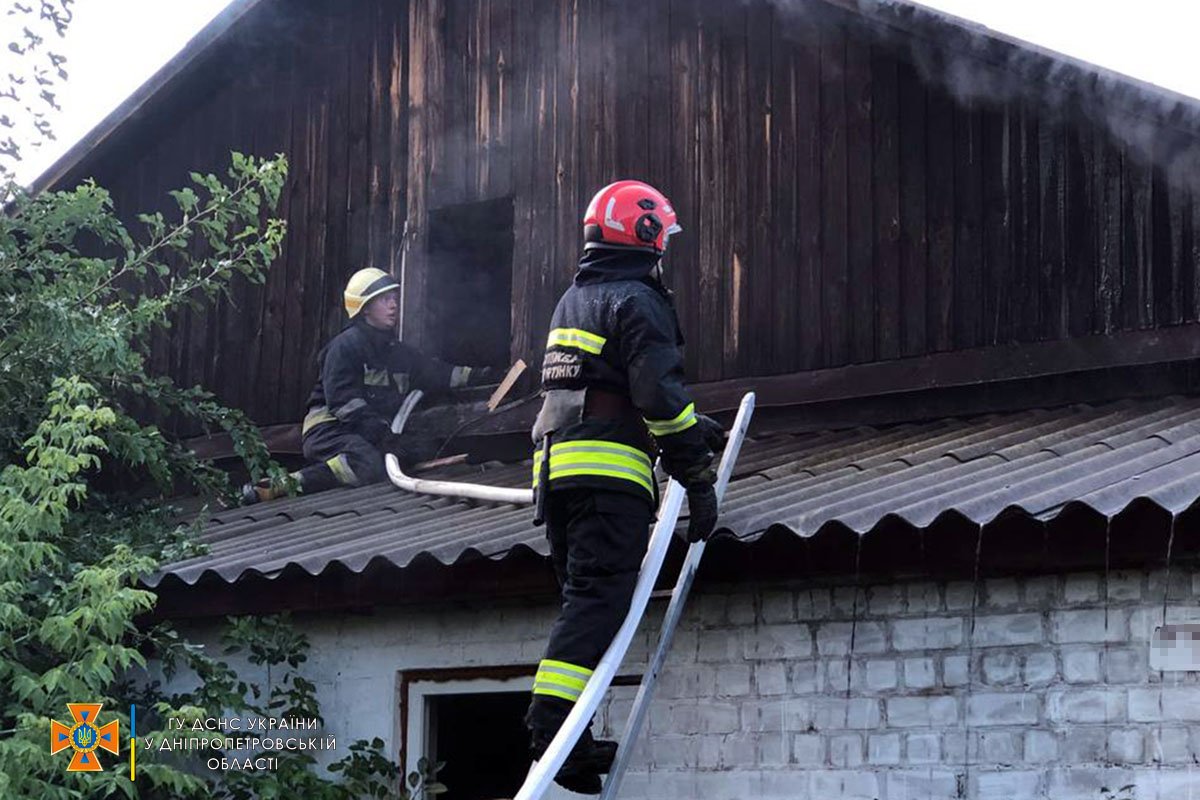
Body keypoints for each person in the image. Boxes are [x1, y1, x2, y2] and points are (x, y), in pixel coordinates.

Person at [526, 180, 725, 794]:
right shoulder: (639, 299)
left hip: (557, 474)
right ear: (644, 236)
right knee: (600, 603)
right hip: (607, 477)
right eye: (662, 237)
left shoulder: (574, 300)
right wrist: (696, 477)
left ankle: (572, 744)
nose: (665, 249)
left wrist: (694, 426)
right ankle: (550, 724)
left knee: (581, 607)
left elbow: (599, 383)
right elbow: (659, 399)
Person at [242, 267, 499, 503]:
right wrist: (381, 434)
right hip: (329, 429)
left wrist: (484, 376)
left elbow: (438, 373)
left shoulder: (398, 353)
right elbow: (344, 402)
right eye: (384, 299)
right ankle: (285, 484)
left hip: (370, 434)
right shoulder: (346, 347)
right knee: (367, 463)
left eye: (394, 298)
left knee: (416, 449)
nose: (393, 305)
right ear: (364, 307)